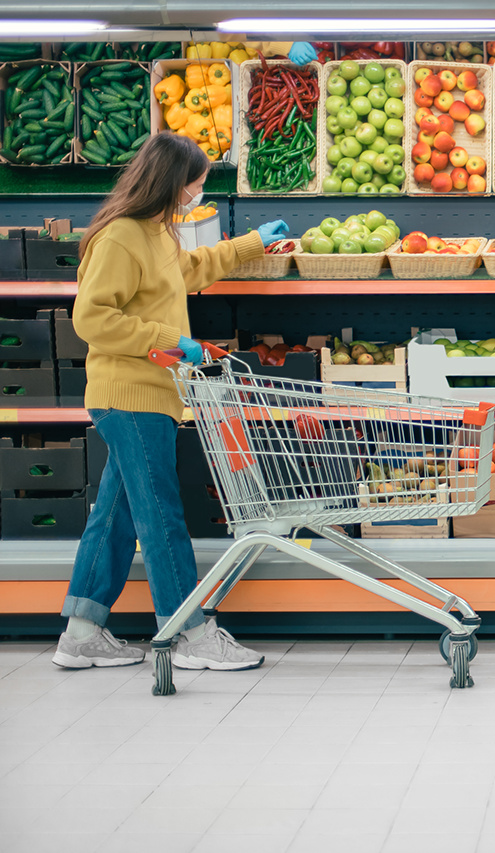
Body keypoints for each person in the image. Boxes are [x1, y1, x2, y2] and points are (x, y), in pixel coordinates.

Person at [53, 133, 291, 671]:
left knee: (116, 516)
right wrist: (167, 338)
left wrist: (252, 242)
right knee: (160, 512)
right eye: (196, 185)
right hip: (130, 393)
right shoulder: (119, 238)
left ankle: (81, 631)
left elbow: (187, 269)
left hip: (152, 394)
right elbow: (90, 319)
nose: (197, 194)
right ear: (170, 182)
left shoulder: (155, 234)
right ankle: (190, 633)